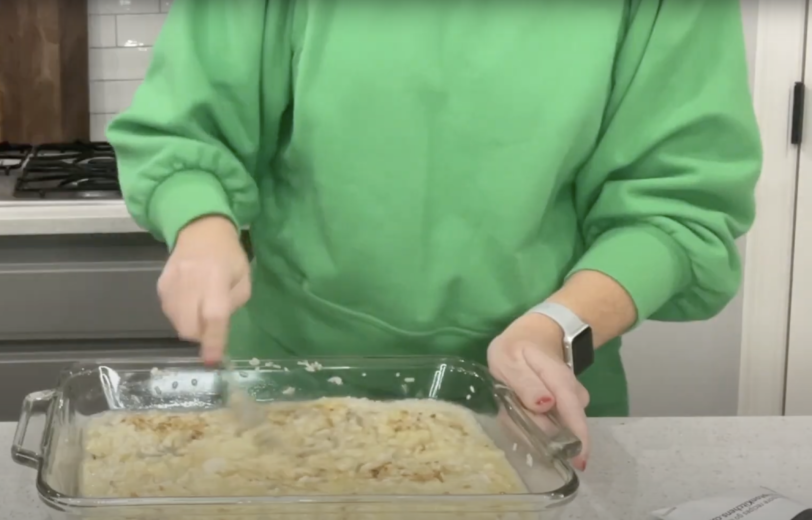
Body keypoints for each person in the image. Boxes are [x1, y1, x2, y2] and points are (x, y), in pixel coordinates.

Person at [108, 0, 761, 471]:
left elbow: (676, 216)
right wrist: (201, 223)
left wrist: (560, 329)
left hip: (530, 411)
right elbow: (187, 132)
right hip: (286, 395)